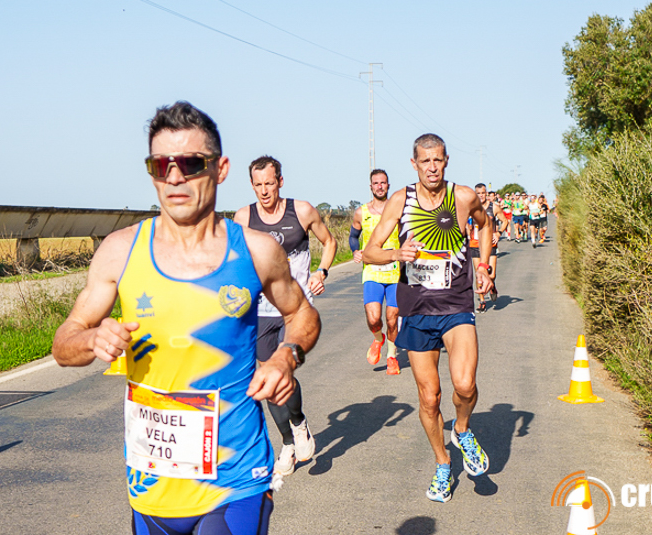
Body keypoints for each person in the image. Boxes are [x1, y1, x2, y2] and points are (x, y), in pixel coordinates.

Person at [53, 102, 320, 535]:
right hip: (151, 481)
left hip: (234, 477)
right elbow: (64, 341)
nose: (174, 177)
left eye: (190, 163)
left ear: (220, 169)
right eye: (161, 165)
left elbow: (302, 312)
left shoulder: (256, 251)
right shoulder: (120, 250)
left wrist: (285, 356)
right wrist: (89, 339)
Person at [361, 133, 494, 503]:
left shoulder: (463, 197)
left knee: (465, 385)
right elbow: (369, 252)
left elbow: (485, 225)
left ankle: (462, 430)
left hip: (456, 305)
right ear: (414, 164)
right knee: (430, 398)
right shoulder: (399, 201)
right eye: (425, 161)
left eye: (438, 160)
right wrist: (396, 254)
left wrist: (483, 266)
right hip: (418, 309)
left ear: (446, 160)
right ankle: (442, 463)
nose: (432, 168)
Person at [233, 156, 337, 480]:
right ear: (252, 185)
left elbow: (329, 242)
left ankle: (299, 423)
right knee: (267, 379)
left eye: (270, 183)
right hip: (260, 310)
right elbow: (235, 261)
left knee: (284, 368)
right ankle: (289, 441)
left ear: (280, 181)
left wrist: (321, 271)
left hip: (295, 310)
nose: (265, 191)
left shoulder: (302, 211)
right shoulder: (243, 217)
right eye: (258, 185)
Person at [349, 169, 402, 375]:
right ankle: (378, 338)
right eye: (376, 183)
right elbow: (353, 236)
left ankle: (391, 356)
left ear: (388, 185)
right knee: (373, 319)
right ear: (371, 186)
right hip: (372, 270)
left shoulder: (397, 210)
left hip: (395, 272)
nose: (380, 186)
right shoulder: (361, 212)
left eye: (383, 183)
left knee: (392, 318)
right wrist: (355, 251)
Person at [469, 183, 505, 312]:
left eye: (483, 193)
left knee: (492, 274)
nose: (481, 196)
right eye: (478, 193)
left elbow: (505, 221)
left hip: (490, 244)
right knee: (478, 274)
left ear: (486, 194)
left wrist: (498, 233)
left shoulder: (493, 207)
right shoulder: (471, 208)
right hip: (475, 244)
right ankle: (482, 301)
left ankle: (492, 285)